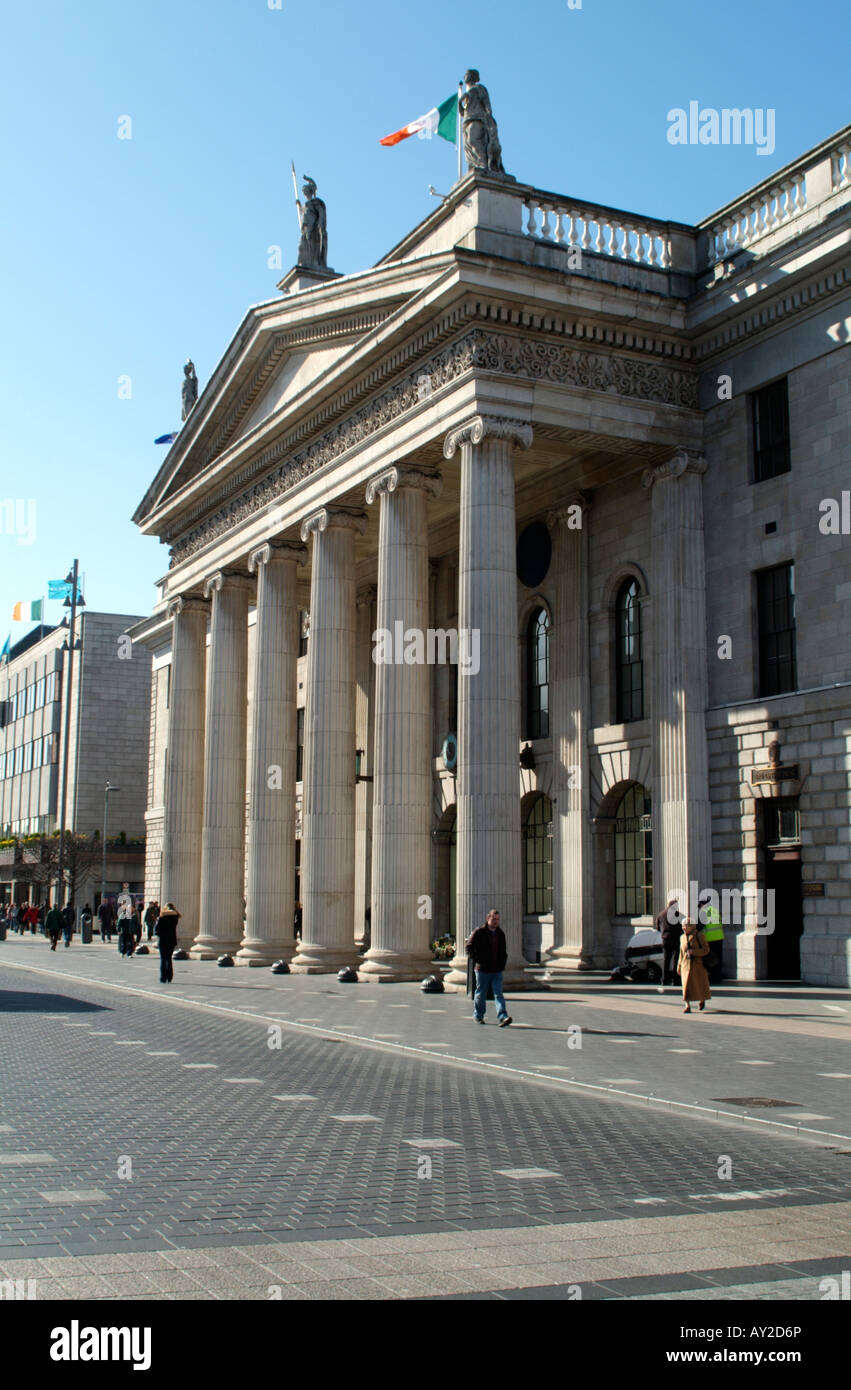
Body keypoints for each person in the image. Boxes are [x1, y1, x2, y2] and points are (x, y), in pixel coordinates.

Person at [465, 908, 512, 1027]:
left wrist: (502, 964)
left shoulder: (500, 934)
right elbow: (469, 947)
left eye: (497, 919)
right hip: (482, 969)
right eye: (493, 919)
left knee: (498, 993)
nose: (495, 921)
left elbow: (503, 951)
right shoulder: (479, 932)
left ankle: (503, 1016)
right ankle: (478, 1015)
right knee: (481, 993)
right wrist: (477, 959)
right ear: (488, 918)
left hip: (497, 969)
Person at [678, 918, 711, 1014]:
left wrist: (694, 952)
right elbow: (681, 953)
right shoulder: (682, 937)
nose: (683, 928)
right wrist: (679, 966)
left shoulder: (699, 936)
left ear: (692, 926)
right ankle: (687, 1006)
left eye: (685, 926)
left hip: (697, 965)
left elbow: (706, 950)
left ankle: (702, 1000)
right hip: (685, 965)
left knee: (699, 985)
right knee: (686, 986)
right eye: (682, 926)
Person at [655, 896, 683, 987]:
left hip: (665, 939)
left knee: (666, 960)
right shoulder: (678, 914)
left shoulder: (660, 915)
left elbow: (657, 928)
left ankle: (664, 979)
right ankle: (675, 979)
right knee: (676, 959)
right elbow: (683, 926)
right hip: (675, 939)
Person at [156, 902, 180, 983]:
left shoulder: (161, 917)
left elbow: (156, 930)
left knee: (163, 959)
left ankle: (163, 977)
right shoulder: (175, 917)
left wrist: (161, 935)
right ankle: (169, 977)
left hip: (162, 941)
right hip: (171, 940)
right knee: (169, 959)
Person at [702, 902, 725, 985]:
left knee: (710, 959)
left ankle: (712, 976)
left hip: (710, 938)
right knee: (718, 958)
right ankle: (718, 976)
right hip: (719, 937)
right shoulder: (715, 910)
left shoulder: (704, 912)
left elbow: (700, 926)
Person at [116, 883, 135, 958]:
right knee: (124, 942)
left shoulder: (133, 916)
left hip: (130, 931)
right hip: (124, 931)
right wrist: (118, 929)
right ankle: (122, 952)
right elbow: (119, 923)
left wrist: (135, 930)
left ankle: (129, 953)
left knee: (130, 942)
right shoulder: (123, 915)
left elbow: (135, 924)